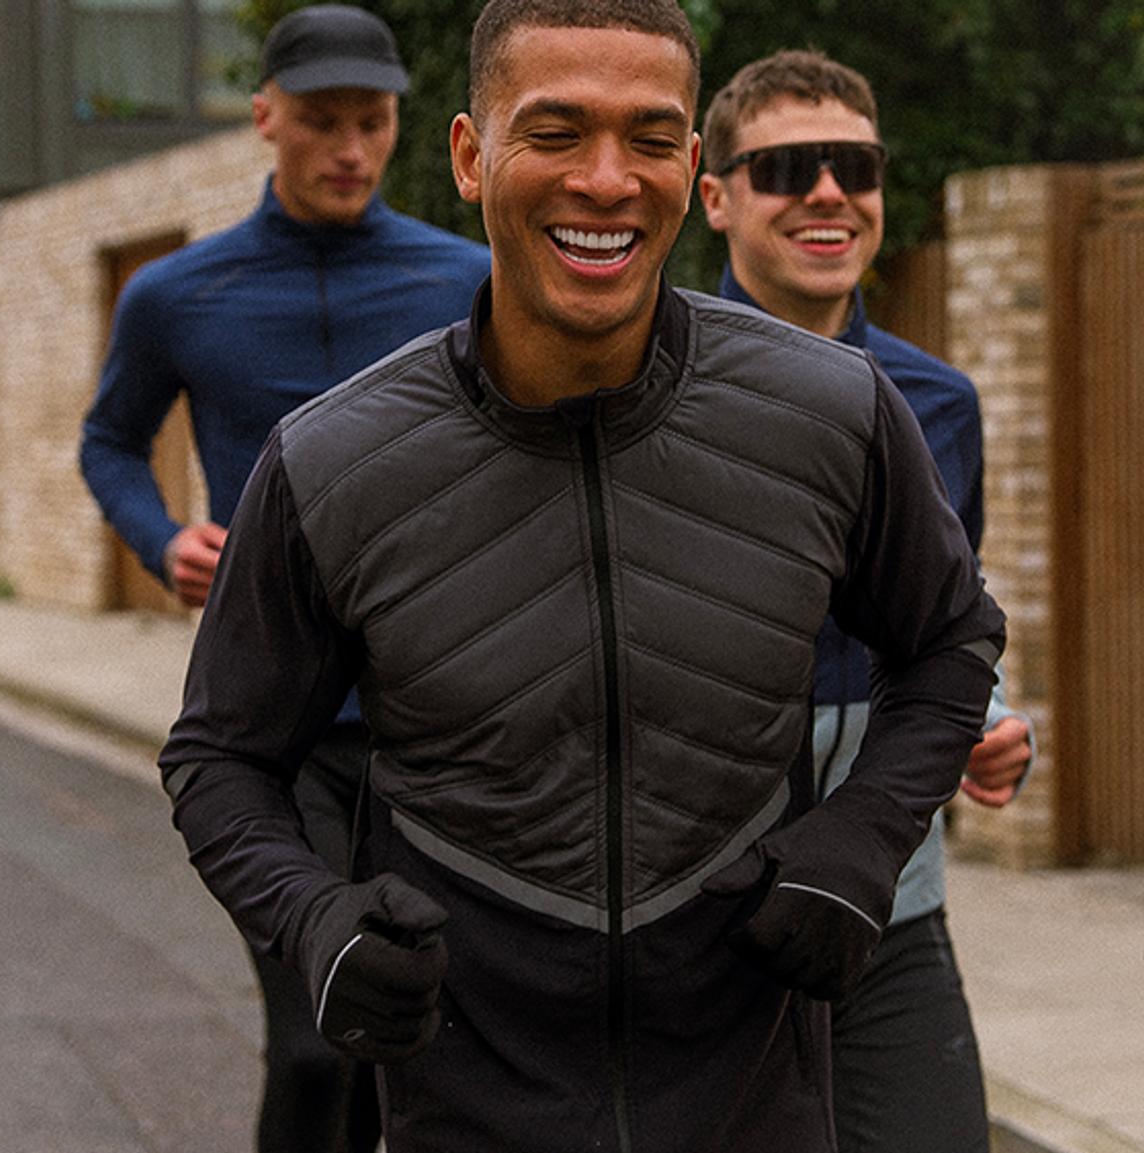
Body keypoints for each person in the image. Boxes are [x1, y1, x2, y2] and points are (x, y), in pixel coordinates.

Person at [157, 2, 1007, 1151]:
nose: (606, 181)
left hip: (751, 1099)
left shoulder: (831, 413)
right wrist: (312, 922)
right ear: (469, 157)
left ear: (689, 166)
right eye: (554, 134)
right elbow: (220, 755)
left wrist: (862, 838)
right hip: (468, 1102)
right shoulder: (333, 460)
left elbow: (949, 642)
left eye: (649, 140)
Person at [77, 7, 489, 1150]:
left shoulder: (468, 280)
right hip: (273, 726)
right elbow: (107, 440)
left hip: (441, 722)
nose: (349, 149)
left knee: (417, 1034)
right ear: (264, 118)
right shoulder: (176, 294)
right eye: (320, 123)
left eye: (371, 122)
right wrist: (160, 538)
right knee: (318, 1037)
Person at [699, 49, 1035, 1153]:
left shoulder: (938, 402)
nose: (828, 193)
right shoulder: (650, 390)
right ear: (715, 195)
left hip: (889, 890)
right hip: (696, 898)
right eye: (788, 166)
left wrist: (979, 726)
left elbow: (935, 628)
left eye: (853, 165)